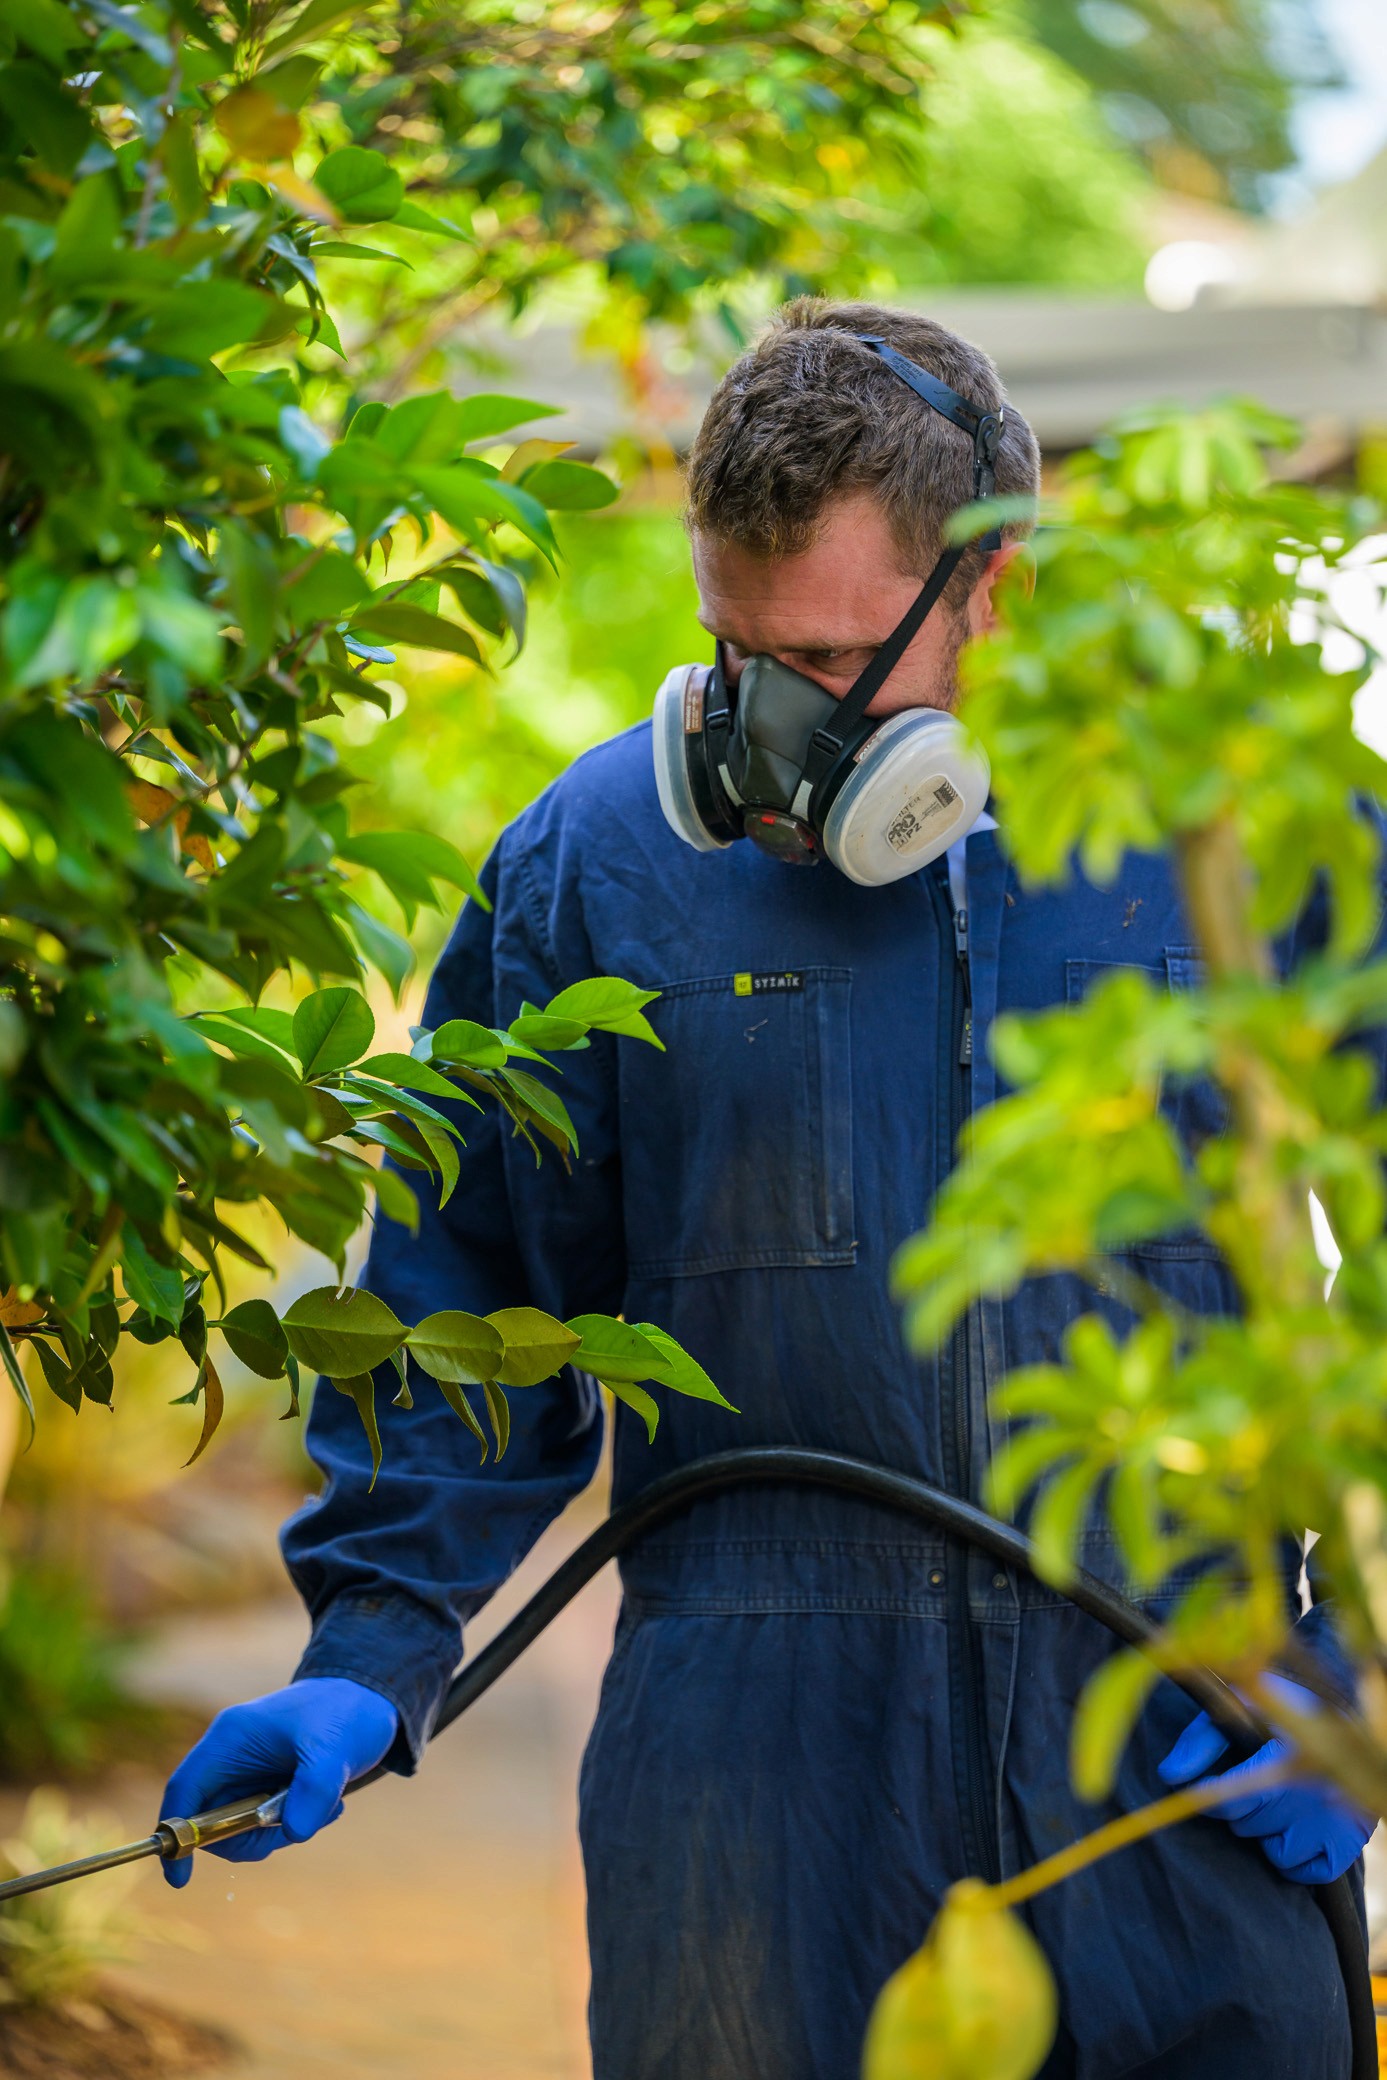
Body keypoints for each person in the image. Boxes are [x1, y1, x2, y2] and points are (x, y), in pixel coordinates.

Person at [161, 302, 1371, 2079]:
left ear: (993, 586)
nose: (763, 734)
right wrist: (375, 1641)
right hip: (753, 1782)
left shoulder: (1242, 825)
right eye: (734, 653)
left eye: (822, 664)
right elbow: (472, 1300)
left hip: (1176, 1730)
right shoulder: (594, 865)